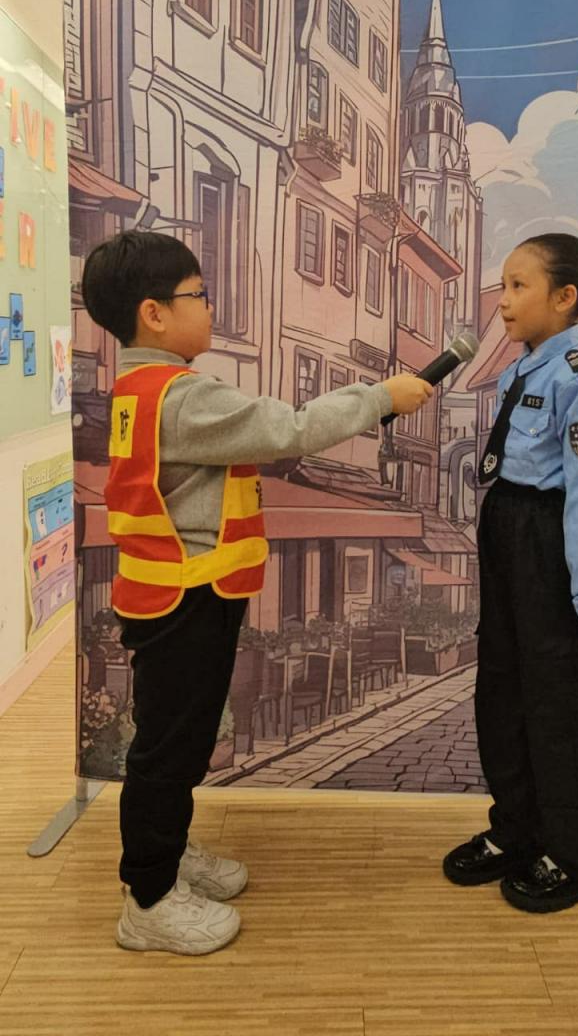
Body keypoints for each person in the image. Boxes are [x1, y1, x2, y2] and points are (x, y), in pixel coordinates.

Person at [81, 229, 432, 955]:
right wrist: (379, 397)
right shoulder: (183, 397)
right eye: (199, 294)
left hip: (175, 592)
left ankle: (168, 854)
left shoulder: (138, 388)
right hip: (187, 598)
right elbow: (291, 429)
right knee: (170, 749)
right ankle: (148, 898)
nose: (211, 306)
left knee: (179, 739)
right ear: (154, 313)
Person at [443, 233, 578, 913]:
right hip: (508, 524)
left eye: (519, 286)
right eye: (503, 285)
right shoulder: (522, 370)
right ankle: (517, 830)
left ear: (565, 296)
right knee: (502, 690)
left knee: (558, 704)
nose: (504, 300)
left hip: (549, 537)